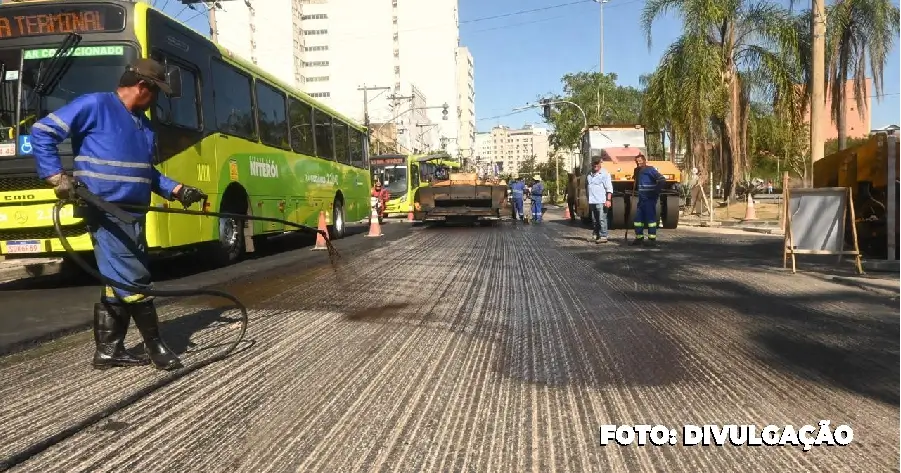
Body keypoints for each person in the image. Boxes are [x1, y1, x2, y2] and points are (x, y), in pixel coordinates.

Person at [32, 58, 206, 371]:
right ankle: (156, 347)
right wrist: (56, 176)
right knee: (135, 279)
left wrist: (177, 190)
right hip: (105, 211)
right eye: (157, 93)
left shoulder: (144, 125)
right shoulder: (95, 105)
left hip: (133, 215)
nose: (157, 100)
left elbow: (145, 173)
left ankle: (109, 350)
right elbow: (42, 131)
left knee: (117, 281)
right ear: (143, 87)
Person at [631, 153, 667, 246]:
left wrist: (655, 191)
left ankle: (651, 240)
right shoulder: (637, 171)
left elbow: (662, 180)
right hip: (641, 199)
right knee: (638, 220)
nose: (638, 163)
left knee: (650, 220)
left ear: (644, 161)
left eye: (640, 161)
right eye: (637, 161)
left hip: (650, 199)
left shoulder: (650, 170)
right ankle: (639, 238)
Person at [586, 157, 613, 243]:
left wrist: (608, 200)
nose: (595, 165)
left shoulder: (605, 174)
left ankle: (603, 236)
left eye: (597, 163)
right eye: (594, 163)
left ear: (600, 163)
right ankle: (596, 235)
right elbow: (587, 187)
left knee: (602, 219)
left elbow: (609, 188)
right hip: (592, 200)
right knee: (594, 219)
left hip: (601, 201)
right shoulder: (589, 174)